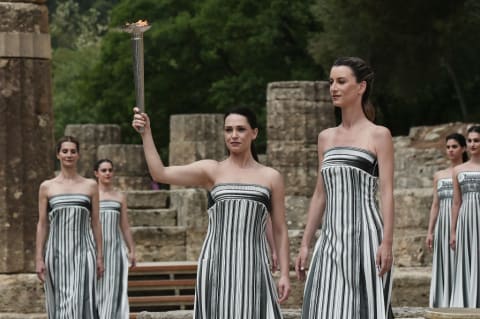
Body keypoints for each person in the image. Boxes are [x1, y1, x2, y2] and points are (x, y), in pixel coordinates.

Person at [132, 106, 290, 319]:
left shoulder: (271, 177)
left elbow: (280, 228)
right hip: (216, 264)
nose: (233, 135)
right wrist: (146, 134)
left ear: (254, 133)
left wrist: (285, 275)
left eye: (241, 129)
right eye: (228, 130)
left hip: (254, 265)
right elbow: (160, 173)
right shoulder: (212, 170)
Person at [295, 56, 394, 319]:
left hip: (367, 240)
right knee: (320, 308)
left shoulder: (379, 135)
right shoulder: (325, 137)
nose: (333, 88)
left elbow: (386, 192)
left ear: (360, 87)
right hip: (329, 240)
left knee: (364, 311)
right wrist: (305, 244)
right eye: (331, 82)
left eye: (341, 81)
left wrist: (387, 243)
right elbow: (320, 193)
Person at [35, 136, 104, 318]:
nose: (69, 154)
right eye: (65, 151)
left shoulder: (90, 185)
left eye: (73, 151)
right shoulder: (47, 187)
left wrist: (99, 256)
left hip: (84, 251)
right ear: (58, 155)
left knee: (83, 300)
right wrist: (38, 258)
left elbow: (96, 222)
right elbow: (42, 224)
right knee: (60, 303)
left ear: (78, 155)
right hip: (56, 253)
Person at [426, 133, 467, 307]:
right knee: (444, 264)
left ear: (463, 148)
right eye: (448, 147)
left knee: (461, 263)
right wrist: (430, 231)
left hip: (463, 223)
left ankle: (462, 302)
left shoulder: (468, 172)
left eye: (454, 146)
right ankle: (443, 302)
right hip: (443, 225)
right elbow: (435, 204)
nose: (450, 150)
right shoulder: (439, 175)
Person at [94, 159, 136, 318]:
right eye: (103, 170)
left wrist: (132, 249)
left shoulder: (119, 197)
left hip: (115, 250)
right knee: (95, 291)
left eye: (110, 170)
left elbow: (124, 225)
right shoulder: (92, 196)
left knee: (114, 290)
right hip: (95, 249)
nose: (107, 173)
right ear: (96, 173)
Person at [449, 125, 480, 308]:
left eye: (477, 140)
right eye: (470, 141)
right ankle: (466, 303)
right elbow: (456, 203)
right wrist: (453, 231)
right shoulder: (458, 170)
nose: (473, 144)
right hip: (466, 221)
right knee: (466, 261)